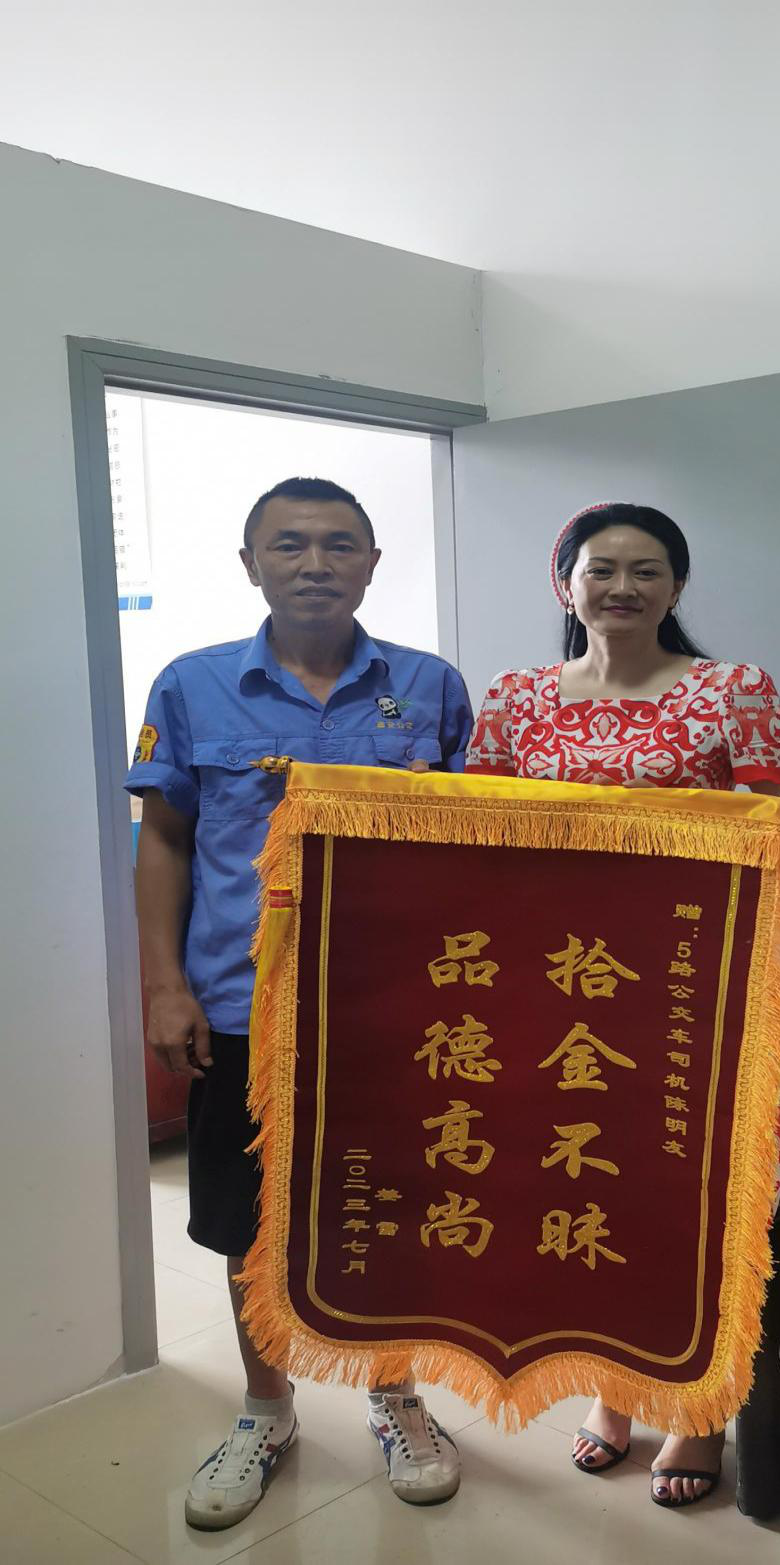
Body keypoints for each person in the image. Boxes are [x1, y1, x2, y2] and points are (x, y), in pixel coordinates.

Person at [126, 477, 474, 1531]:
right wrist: (164, 986)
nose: (314, 562)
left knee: (391, 1209)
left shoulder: (430, 686)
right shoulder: (190, 685)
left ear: (371, 564)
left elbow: (480, 841)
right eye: (289, 544)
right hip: (244, 1009)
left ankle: (395, 1394)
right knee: (247, 1219)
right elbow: (166, 842)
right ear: (251, 564)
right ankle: (266, 1407)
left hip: (398, 1011)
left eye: (338, 544)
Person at [465, 500, 780, 1508]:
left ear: (676, 585)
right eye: (601, 568)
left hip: (690, 988)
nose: (622, 586)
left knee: (700, 1194)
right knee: (583, 1185)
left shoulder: (732, 690)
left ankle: (700, 1406)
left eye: (646, 569)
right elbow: (473, 838)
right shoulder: (516, 698)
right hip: (559, 990)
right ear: (564, 583)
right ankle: (612, 1387)